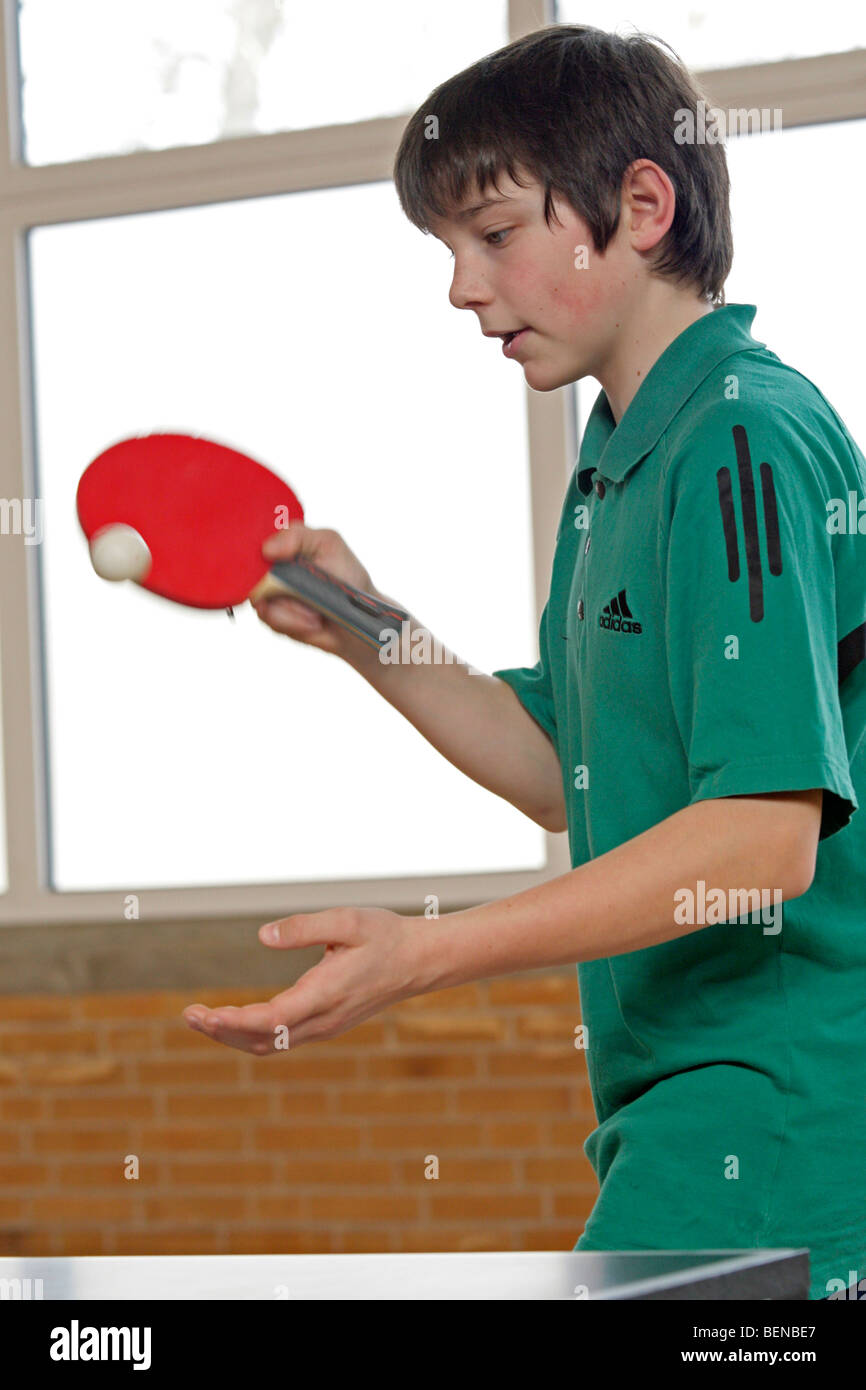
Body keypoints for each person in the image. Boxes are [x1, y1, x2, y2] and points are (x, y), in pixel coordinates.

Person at [184, 25, 866, 1302]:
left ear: (640, 208)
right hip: (680, 1104)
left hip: (783, 1117)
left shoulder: (740, 442)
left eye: (492, 235)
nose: (460, 288)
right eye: (449, 251)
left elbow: (759, 839)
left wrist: (426, 953)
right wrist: (373, 631)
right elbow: (570, 769)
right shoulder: (615, 460)